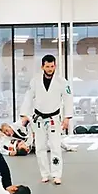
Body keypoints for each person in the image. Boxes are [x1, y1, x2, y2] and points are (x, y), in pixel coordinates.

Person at [19, 54, 74, 185]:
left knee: (55, 146)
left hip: (54, 117)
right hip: (38, 118)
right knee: (40, 147)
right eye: (47, 66)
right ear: (42, 66)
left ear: (55, 66)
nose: (50, 69)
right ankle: (45, 173)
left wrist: (67, 117)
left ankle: (56, 174)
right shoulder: (35, 80)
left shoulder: (62, 81)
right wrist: (24, 114)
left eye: (52, 66)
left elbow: (68, 99)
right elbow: (28, 97)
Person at [0, 120, 76, 157]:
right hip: (30, 145)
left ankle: (67, 147)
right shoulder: (6, 137)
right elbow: (1, 149)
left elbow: (30, 121)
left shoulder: (18, 125)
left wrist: (34, 131)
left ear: (9, 126)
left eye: (7, 130)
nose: (7, 133)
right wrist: (9, 153)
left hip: (35, 134)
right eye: (5, 133)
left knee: (52, 139)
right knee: (48, 148)